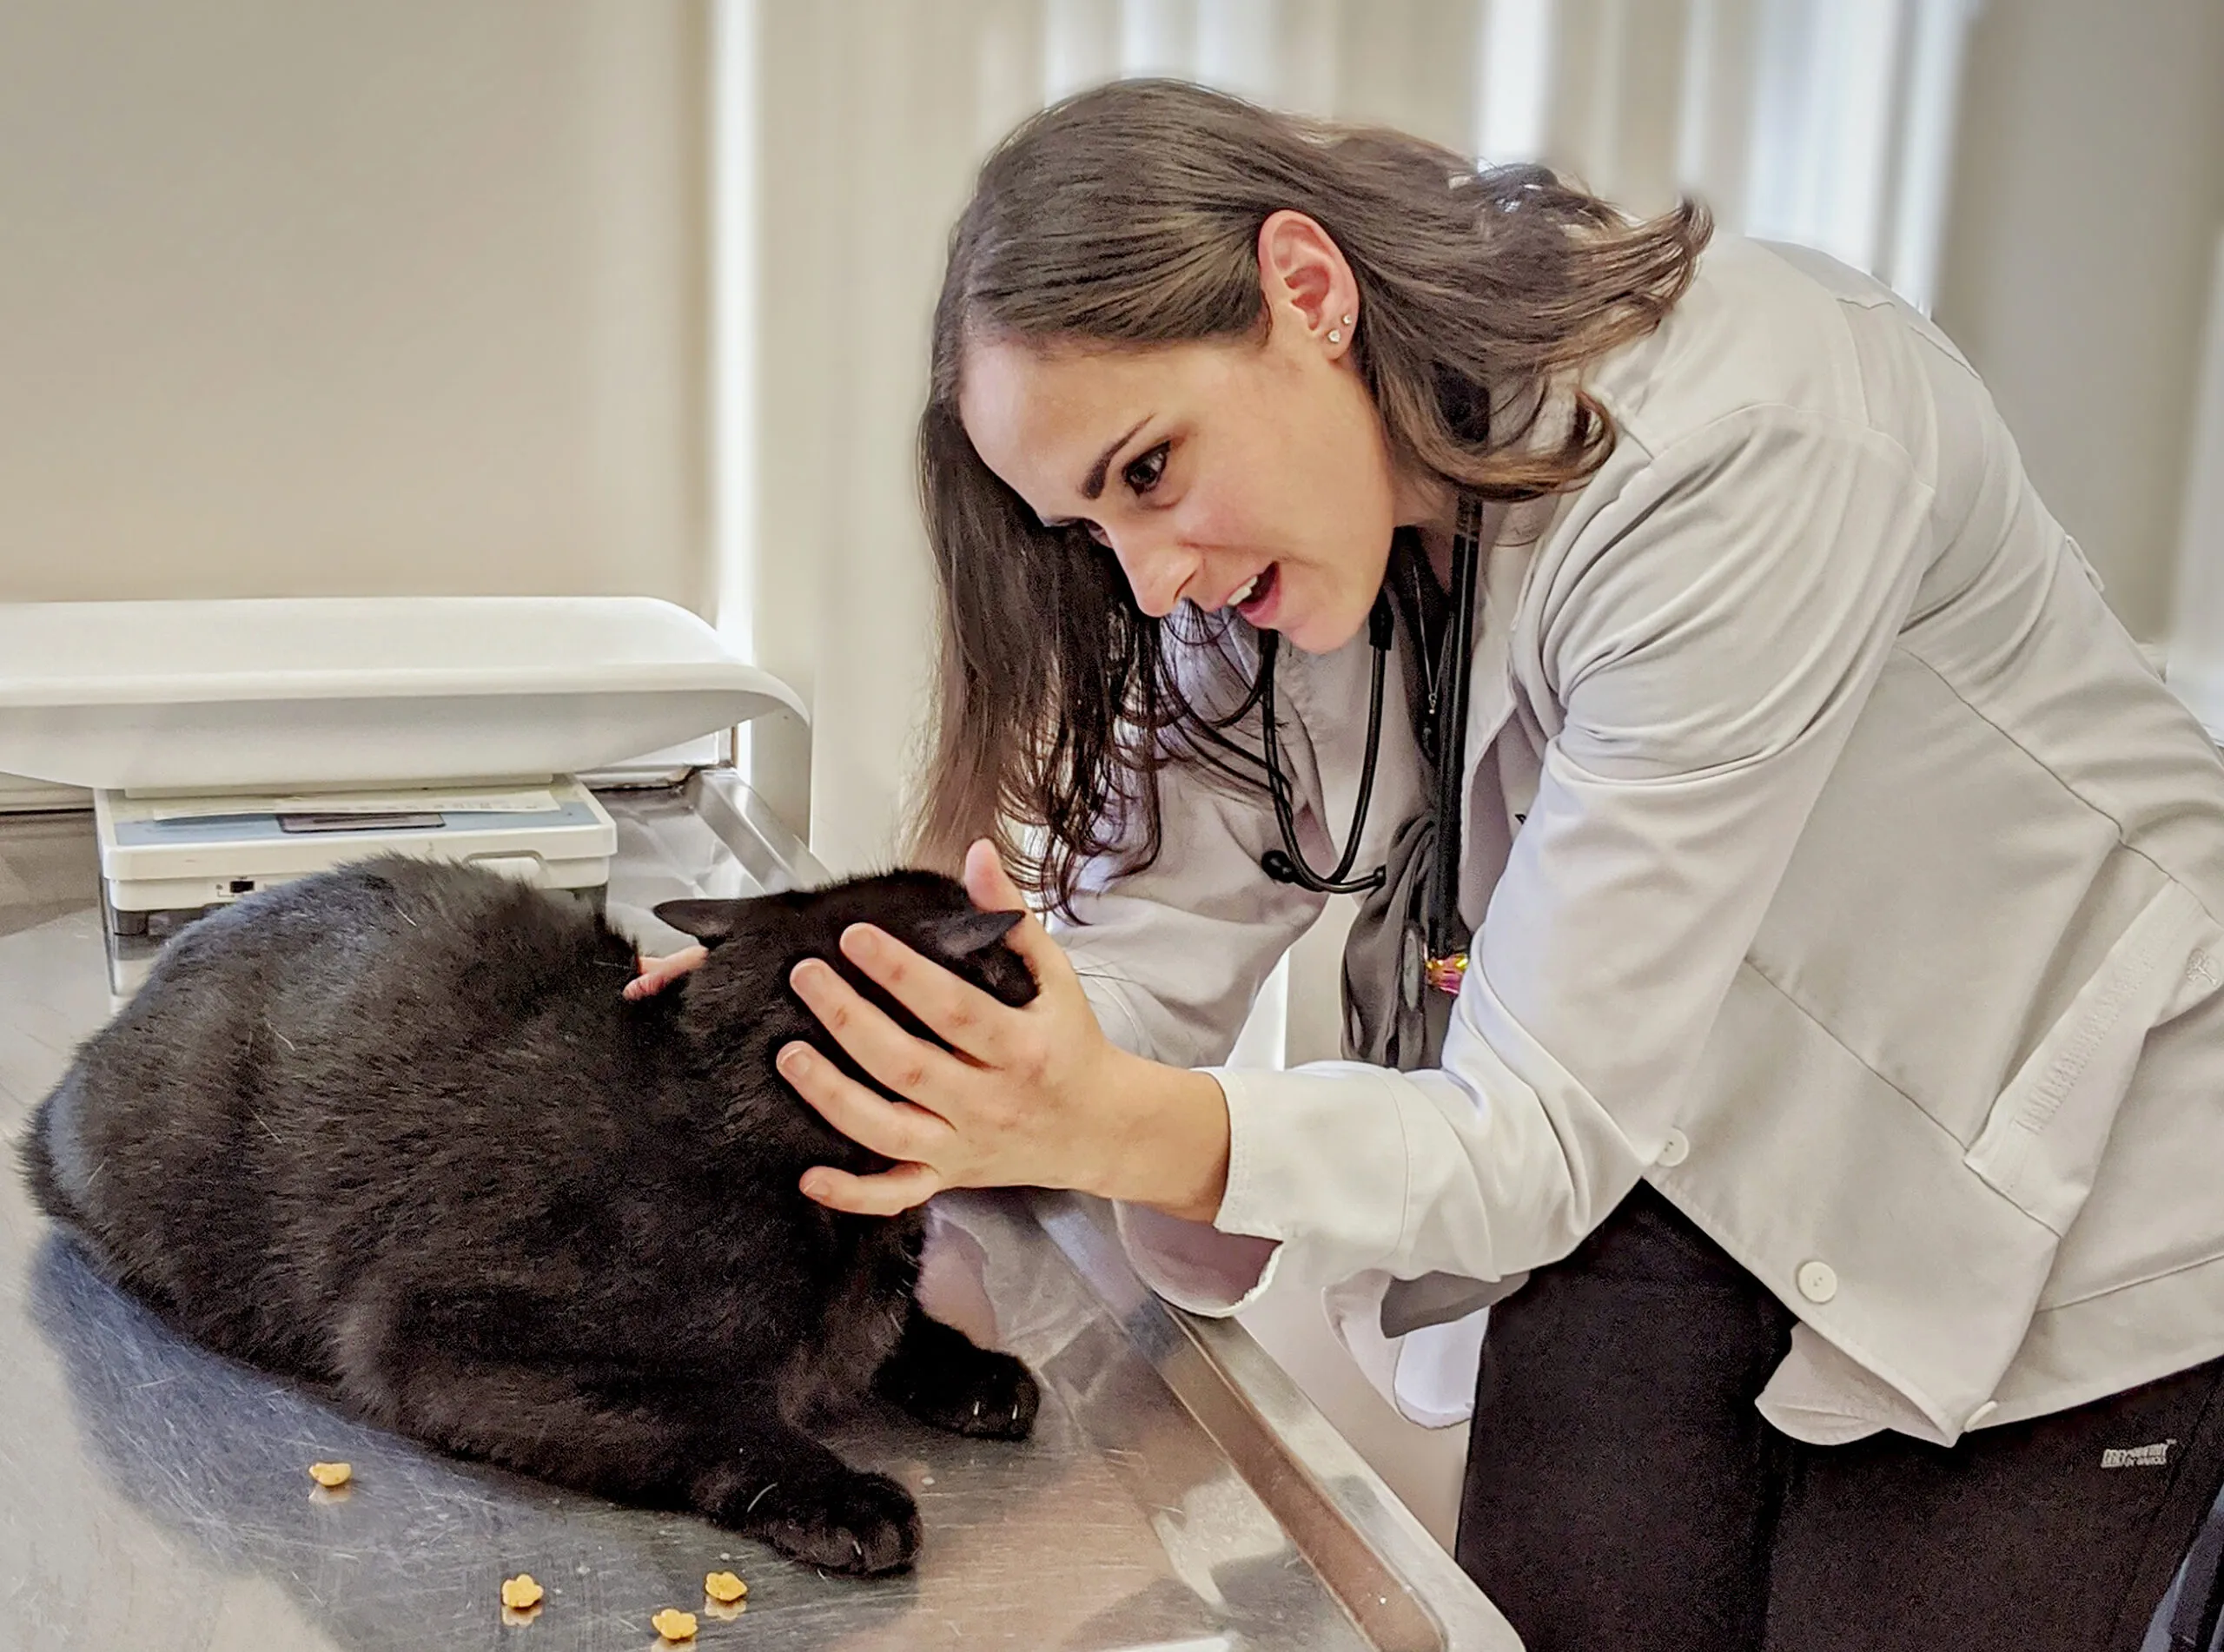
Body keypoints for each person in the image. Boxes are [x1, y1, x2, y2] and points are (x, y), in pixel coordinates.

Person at [632, 79, 2224, 1652]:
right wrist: (875, 1025)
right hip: (1669, 1164)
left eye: (1148, 470)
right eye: (1088, 528)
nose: (1150, 571)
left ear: (1306, 291)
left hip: (2054, 1203)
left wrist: (1108, 1117)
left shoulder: (1741, 447)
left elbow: (1524, 1128)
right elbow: (1147, 959)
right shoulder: (1269, 557)